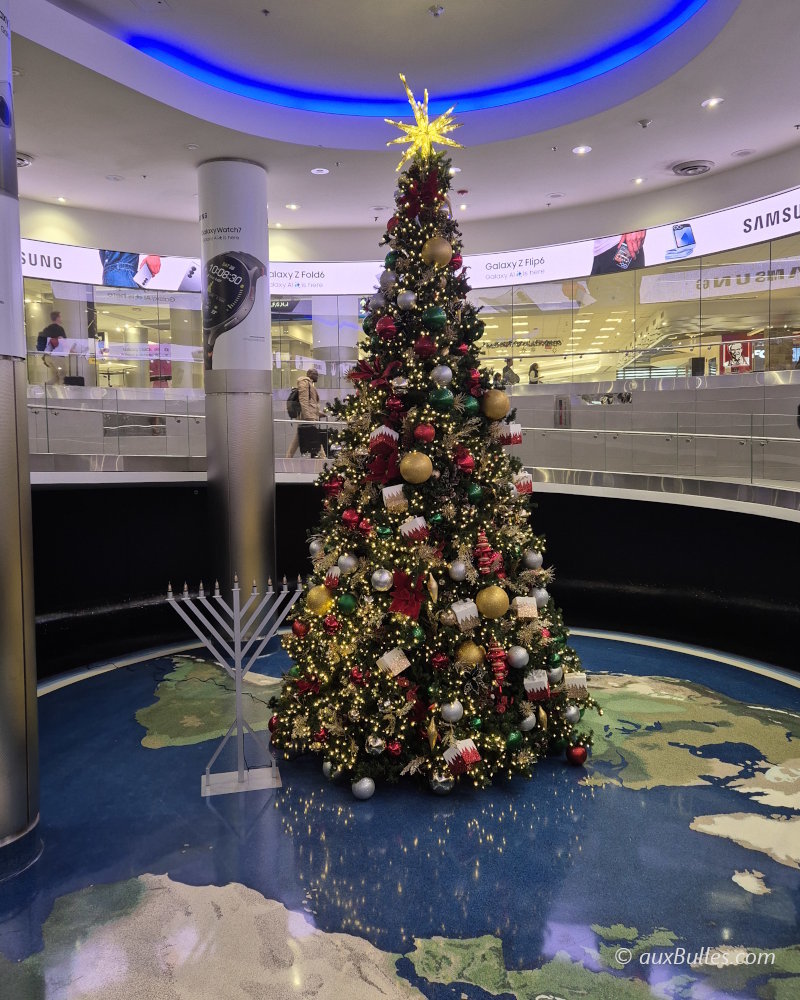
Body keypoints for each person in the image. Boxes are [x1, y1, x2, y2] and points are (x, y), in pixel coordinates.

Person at [286, 367, 325, 458]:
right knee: (315, 436)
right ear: (310, 374)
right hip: (306, 417)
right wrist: (308, 417)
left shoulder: (310, 384)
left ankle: (288, 457)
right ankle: (323, 458)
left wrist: (318, 413)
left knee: (298, 437)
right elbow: (303, 400)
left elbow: (311, 404)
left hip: (308, 416)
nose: (317, 377)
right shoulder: (304, 382)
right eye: (316, 374)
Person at [40, 310, 66, 384]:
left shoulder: (47, 329)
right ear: (57, 318)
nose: (61, 318)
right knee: (62, 375)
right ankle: (64, 394)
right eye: (60, 317)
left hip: (47, 357)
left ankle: (47, 388)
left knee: (55, 377)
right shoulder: (59, 329)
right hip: (57, 356)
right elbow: (63, 342)